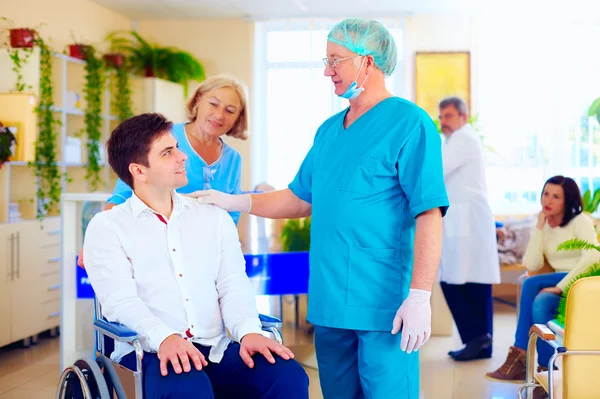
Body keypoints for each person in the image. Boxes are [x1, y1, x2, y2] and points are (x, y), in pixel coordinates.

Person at [190, 18, 449, 399]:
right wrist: (238, 201)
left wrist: (420, 295)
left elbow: (429, 213)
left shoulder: (410, 124)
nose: (327, 71)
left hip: (384, 303)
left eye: (335, 60)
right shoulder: (329, 130)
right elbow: (299, 197)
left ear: (367, 61)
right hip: (330, 300)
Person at [83, 113, 309, 399]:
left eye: (177, 147)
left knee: (286, 375)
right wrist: (165, 336)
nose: (182, 156)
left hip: (214, 349)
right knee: (189, 387)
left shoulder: (213, 217)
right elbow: (120, 301)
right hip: (148, 353)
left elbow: (232, 285)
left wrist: (249, 331)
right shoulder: (108, 227)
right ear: (139, 171)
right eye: (168, 152)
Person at [77, 75, 248, 268]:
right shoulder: (164, 136)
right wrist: (98, 240)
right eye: (214, 104)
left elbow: (231, 215)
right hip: (152, 248)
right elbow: (123, 193)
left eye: (230, 111)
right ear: (198, 99)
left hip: (204, 255)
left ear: (238, 118)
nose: (219, 115)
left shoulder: (233, 159)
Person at [486, 176, 600, 384]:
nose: (548, 200)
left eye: (556, 196)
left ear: (568, 201)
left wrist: (559, 287)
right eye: (546, 194)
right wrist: (539, 228)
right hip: (556, 283)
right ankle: (545, 372)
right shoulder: (545, 225)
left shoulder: (580, 221)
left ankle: (518, 356)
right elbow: (532, 263)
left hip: (581, 281)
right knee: (540, 301)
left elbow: (593, 258)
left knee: (529, 283)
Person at [437, 96, 501, 361]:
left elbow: (437, 169)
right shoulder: (457, 140)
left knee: (456, 281)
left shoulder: (463, 138)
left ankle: (478, 340)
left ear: (463, 116)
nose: (443, 122)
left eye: (448, 116)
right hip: (465, 220)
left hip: (468, 221)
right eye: (441, 117)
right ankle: (480, 342)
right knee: (470, 280)